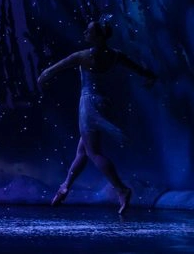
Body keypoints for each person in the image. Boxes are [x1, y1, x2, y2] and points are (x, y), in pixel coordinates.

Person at [36, 17, 157, 214]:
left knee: (93, 152)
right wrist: (149, 76)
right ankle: (65, 186)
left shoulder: (82, 56)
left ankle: (121, 189)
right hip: (105, 103)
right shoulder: (115, 55)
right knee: (83, 151)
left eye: (89, 31)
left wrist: (42, 79)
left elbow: (52, 70)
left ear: (98, 36)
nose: (85, 33)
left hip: (89, 105)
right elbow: (140, 70)